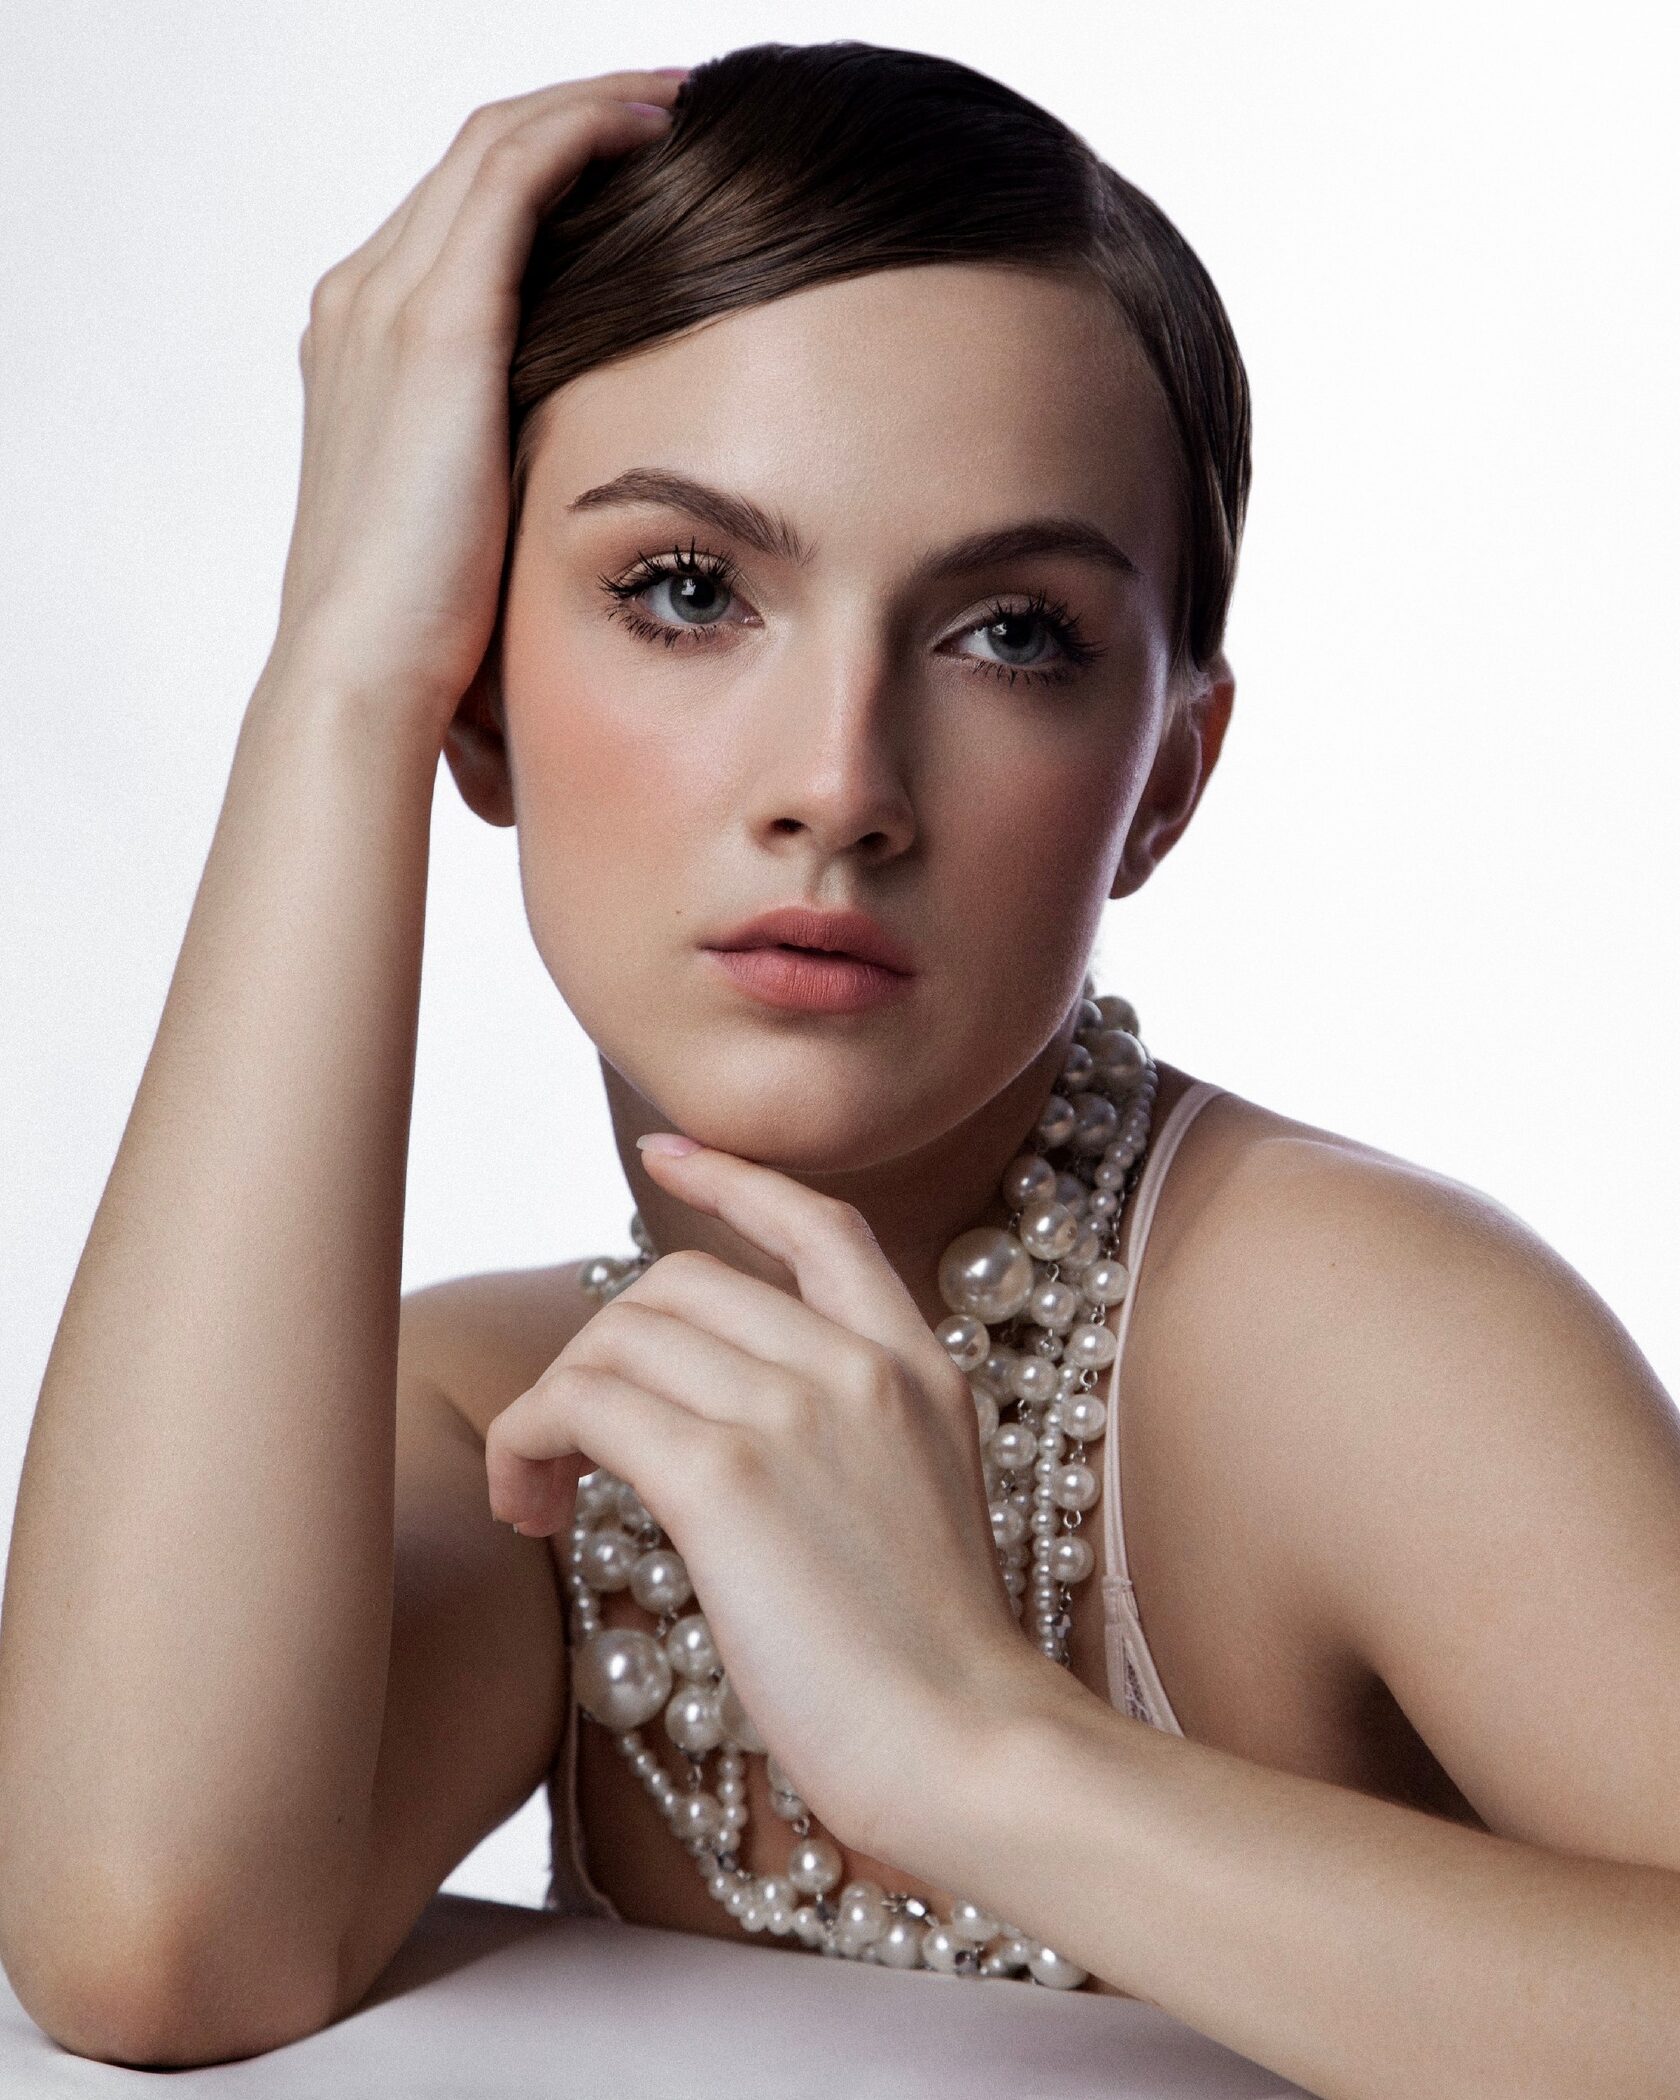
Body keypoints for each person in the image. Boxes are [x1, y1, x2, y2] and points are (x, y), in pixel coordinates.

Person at [1, 36, 1677, 2093]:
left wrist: (978, 1746)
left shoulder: (1348, 1332)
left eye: (1011, 633)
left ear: (1165, 782)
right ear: (481, 697)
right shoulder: (534, 1433)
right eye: (685, 590)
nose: (838, 783)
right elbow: (149, 1942)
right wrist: (341, 674)